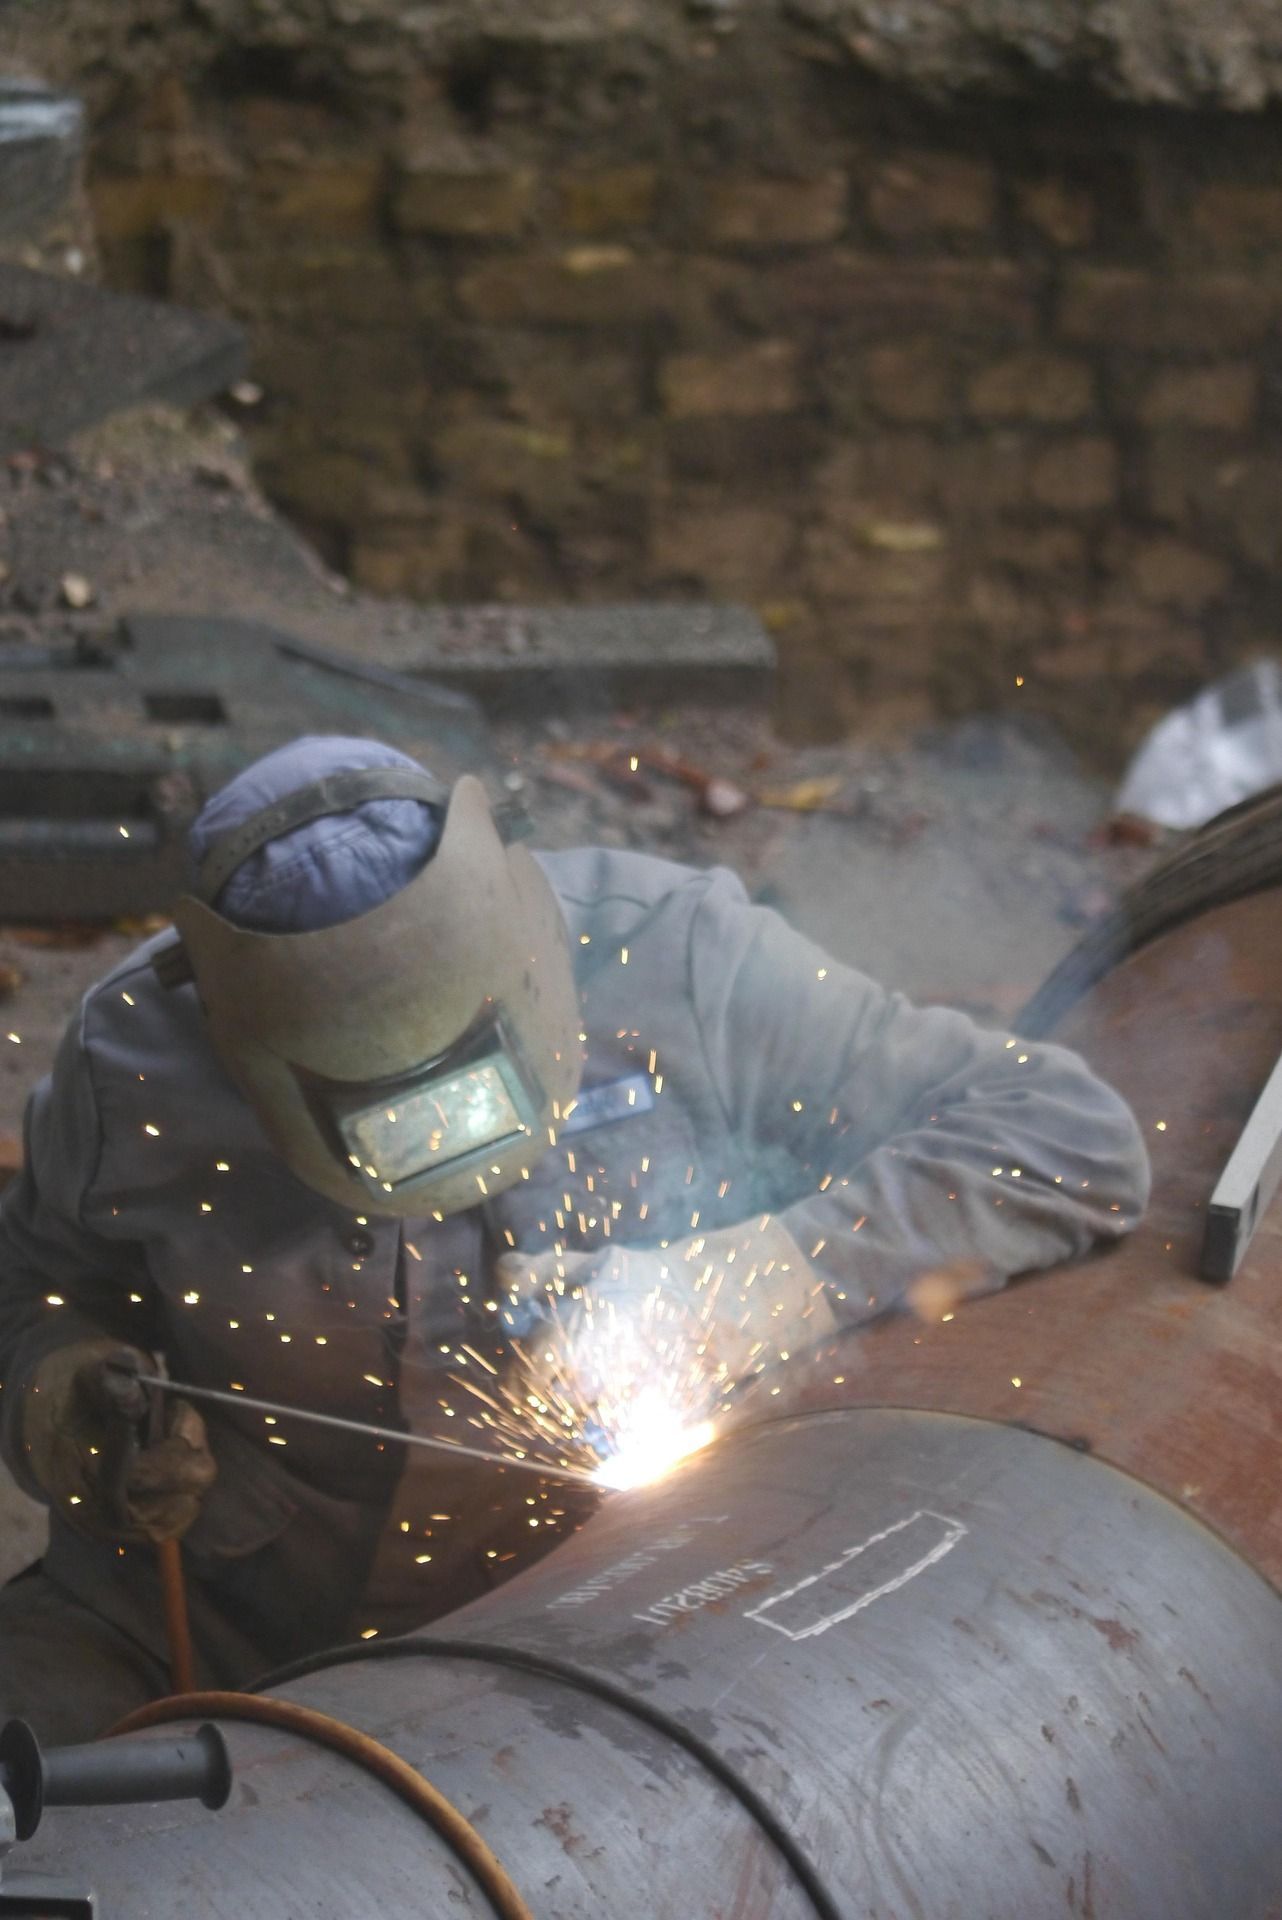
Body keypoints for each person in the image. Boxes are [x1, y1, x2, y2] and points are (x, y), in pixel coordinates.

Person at [0, 736, 1149, 1741]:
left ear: (525, 952)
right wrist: (62, 1393)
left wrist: (743, 1288)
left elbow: (1062, 1134)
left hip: (604, 1645)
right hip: (215, 1625)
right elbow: (33, 1285)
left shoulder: (678, 960)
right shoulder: (135, 1064)